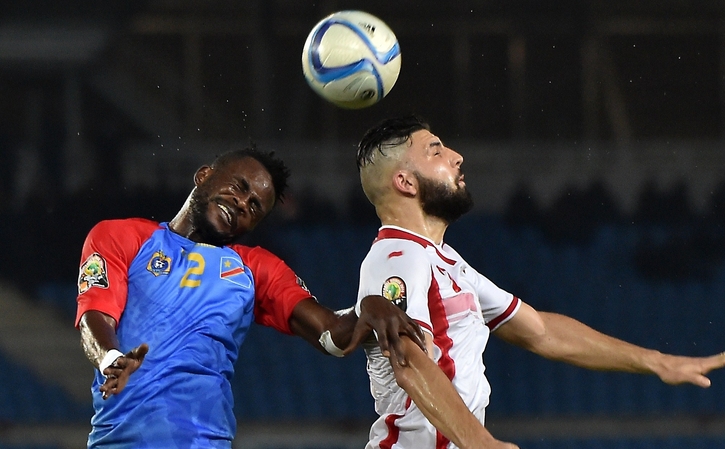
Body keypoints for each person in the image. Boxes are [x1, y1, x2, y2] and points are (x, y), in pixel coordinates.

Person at [75, 147, 515, 448]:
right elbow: (96, 315)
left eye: (255, 206)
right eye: (238, 186)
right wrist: (110, 356)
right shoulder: (121, 236)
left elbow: (331, 333)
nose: (243, 203)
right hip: (117, 439)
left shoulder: (255, 269)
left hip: (205, 440)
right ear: (204, 176)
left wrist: (367, 307)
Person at [354, 115, 725, 449]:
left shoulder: (446, 261)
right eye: (435, 151)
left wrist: (655, 361)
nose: (456, 156)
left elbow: (541, 331)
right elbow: (409, 361)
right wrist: (481, 443)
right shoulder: (397, 256)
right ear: (405, 182)